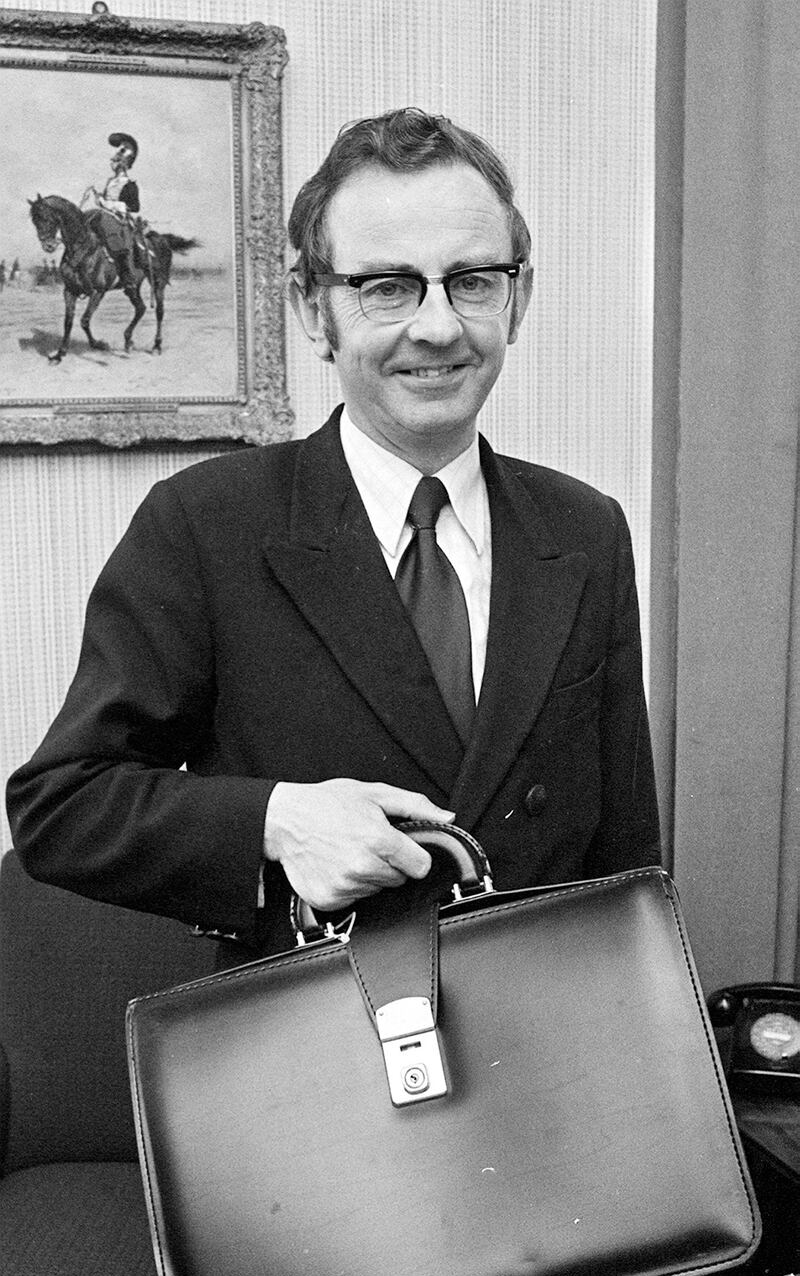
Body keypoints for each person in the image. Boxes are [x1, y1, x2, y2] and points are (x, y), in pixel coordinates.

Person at [8, 104, 660, 954]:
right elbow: (60, 804)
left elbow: (627, 861)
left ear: (518, 295)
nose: (437, 325)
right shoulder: (205, 526)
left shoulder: (586, 529)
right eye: (385, 287)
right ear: (314, 311)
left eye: (473, 280)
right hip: (314, 1053)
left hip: (538, 1044)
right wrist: (277, 819)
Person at [83, 131, 143, 288]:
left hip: (120, 220)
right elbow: (104, 202)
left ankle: (126, 275)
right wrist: (98, 198)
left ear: (124, 163)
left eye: (116, 160)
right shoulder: (110, 182)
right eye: (114, 160)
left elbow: (134, 207)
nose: (112, 161)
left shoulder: (129, 184)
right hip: (105, 216)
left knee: (109, 229)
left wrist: (107, 204)